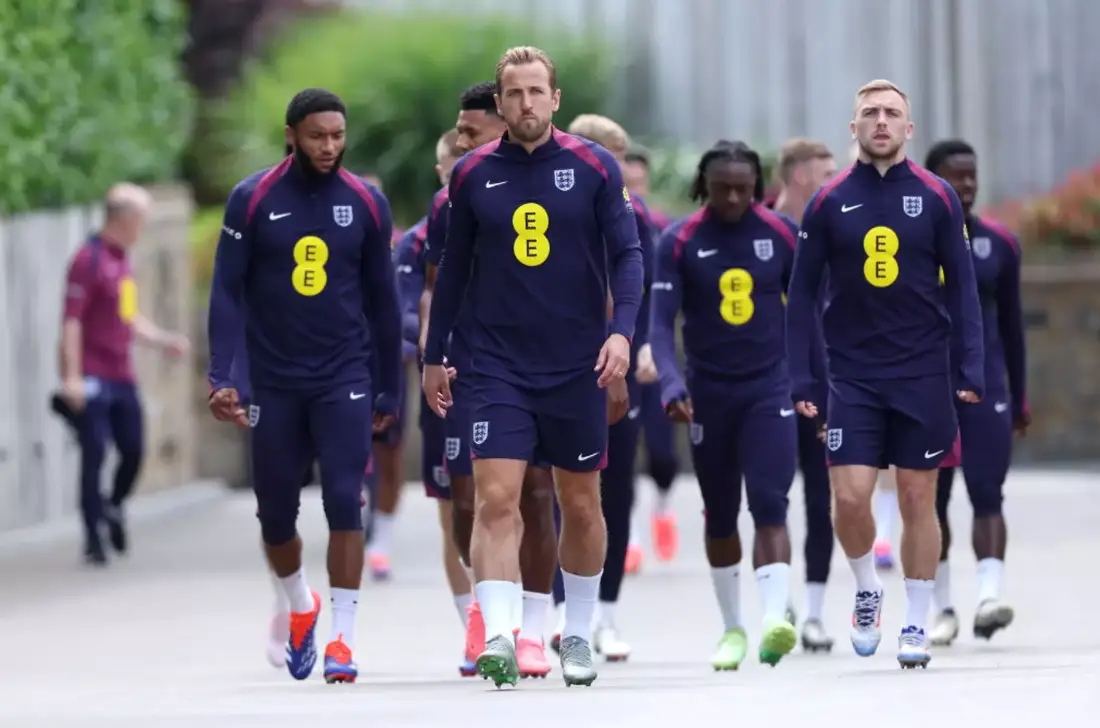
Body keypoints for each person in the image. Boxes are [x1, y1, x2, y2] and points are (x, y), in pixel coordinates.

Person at [422, 46, 643, 687]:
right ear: (500, 103)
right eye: (513, 94)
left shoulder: (594, 167)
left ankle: (574, 635)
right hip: (494, 365)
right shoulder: (471, 176)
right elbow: (454, 270)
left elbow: (628, 257)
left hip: (576, 363)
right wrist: (436, 356)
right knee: (496, 499)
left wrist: (622, 337)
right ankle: (498, 635)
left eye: (536, 92)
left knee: (580, 502)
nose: (525, 104)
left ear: (555, 99)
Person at [785, 79, 985, 669]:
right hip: (852, 376)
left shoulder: (938, 196)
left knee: (920, 496)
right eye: (869, 113)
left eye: (891, 113)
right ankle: (867, 589)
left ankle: (918, 622)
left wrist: (970, 365)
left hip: (923, 373)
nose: (880, 121)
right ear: (853, 129)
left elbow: (965, 290)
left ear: (908, 127)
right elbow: (799, 299)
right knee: (848, 498)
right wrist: (803, 378)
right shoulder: (828, 201)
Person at [207, 88, 402, 684]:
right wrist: (223, 375)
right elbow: (226, 293)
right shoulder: (253, 199)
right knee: (275, 516)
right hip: (274, 381)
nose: (329, 147)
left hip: (343, 374)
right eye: (317, 136)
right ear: (292, 134)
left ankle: (342, 639)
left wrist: (388, 386)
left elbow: (384, 302)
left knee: (345, 500)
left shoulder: (366, 202)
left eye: (338, 136)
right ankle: (300, 606)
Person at [418, 82, 560, 680]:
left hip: (549, 364)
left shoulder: (559, 182)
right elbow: (437, 286)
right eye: (457, 131)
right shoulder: (452, 199)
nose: (460, 140)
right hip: (478, 366)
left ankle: (534, 622)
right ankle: (488, 612)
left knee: (536, 495)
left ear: (499, 122)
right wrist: (435, 351)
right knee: (475, 500)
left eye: (470, 130)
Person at [650, 141, 801, 670]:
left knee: (769, 501)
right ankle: (732, 627)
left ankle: (774, 619)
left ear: (757, 187)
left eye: (744, 188)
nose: (734, 197)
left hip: (769, 390)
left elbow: (808, 313)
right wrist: (670, 383)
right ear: (704, 188)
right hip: (708, 397)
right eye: (723, 189)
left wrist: (812, 383)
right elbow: (658, 323)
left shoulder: (780, 234)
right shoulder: (680, 241)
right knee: (720, 515)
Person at [543, 113, 654, 663]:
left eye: (621, 159)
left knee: (614, 492)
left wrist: (643, 347)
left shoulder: (636, 219)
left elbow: (645, 289)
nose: (617, 171)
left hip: (618, 362)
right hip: (561, 363)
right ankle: (563, 609)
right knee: (564, 491)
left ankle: (605, 614)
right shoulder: (554, 209)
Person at [923, 139, 1028, 646]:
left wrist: (1020, 396)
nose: (965, 185)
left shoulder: (1000, 245)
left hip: (987, 392)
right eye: (954, 176)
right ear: (933, 180)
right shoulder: (914, 245)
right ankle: (942, 607)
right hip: (927, 390)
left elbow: (1013, 329)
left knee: (988, 491)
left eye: (972, 176)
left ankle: (989, 597)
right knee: (932, 500)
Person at [59, 183, 191, 565]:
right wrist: (71, 377)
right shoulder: (89, 260)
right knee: (95, 453)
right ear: (125, 219)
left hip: (122, 372)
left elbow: (128, 317)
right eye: (142, 220)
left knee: (133, 449)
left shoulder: (122, 262)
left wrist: (163, 340)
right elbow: (71, 322)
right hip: (92, 372)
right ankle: (92, 536)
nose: (144, 228)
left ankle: (113, 506)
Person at [772, 138, 838, 652]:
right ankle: (779, 603)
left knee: (822, 496)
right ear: (798, 176)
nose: (833, 181)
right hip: (764, 385)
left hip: (820, 382)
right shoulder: (761, 232)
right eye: (825, 172)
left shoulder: (830, 232)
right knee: (770, 497)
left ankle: (814, 611)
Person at [622, 147, 679, 568]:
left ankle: (662, 507)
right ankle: (631, 538)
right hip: (615, 349)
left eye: (638, 182)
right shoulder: (607, 223)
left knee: (662, 451)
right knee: (620, 450)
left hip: (652, 346)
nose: (633, 190)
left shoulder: (661, 228)